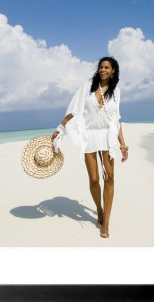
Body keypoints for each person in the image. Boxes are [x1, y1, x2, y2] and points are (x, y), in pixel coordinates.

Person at [51, 56, 128, 239]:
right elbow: (74, 110)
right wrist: (60, 128)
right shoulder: (87, 87)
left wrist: (123, 144)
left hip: (107, 136)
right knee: (94, 179)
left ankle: (106, 222)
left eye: (107, 67)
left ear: (113, 71)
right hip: (89, 135)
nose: (103, 70)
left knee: (109, 177)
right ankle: (99, 210)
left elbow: (116, 119)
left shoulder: (116, 91)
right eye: (101, 67)